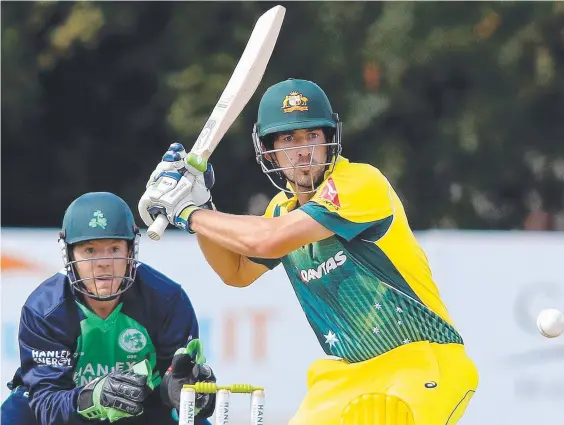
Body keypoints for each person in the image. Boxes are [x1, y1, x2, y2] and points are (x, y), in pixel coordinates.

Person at [138, 78, 479, 425]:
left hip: (420, 361)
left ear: (330, 140)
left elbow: (269, 240)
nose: (303, 150)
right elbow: (235, 272)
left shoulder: (360, 183)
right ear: (269, 151)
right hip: (347, 375)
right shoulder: (279, 211)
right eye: (288, 139)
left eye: (312, 136)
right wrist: (200, 201)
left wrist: (188, 213)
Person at [1, 192, 216, 425]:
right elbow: (47, 405)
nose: (103, 262)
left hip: (141, 405)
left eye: (114, 249)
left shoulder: (168, 301)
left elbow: (175, 384)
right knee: (15, 414)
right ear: (69, 253)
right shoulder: (45, 309)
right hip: (69, 405)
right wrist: (92, 397)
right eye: (90, 250)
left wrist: (187, 391)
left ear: (130, 252)